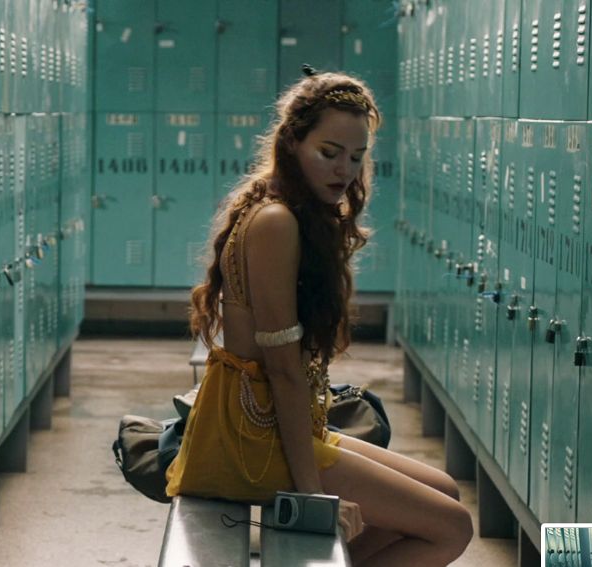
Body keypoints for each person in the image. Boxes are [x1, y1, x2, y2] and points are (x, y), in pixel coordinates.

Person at [163, 68, 473, 566]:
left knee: (444, 491)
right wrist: (312, 497)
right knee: (452, 529)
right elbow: (283, 370)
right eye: (328, 153)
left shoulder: (285, 209)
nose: (344, 170)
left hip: (278, 424)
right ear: (292, 143)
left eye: (356, 157)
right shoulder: (276, 222)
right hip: (253, 437)